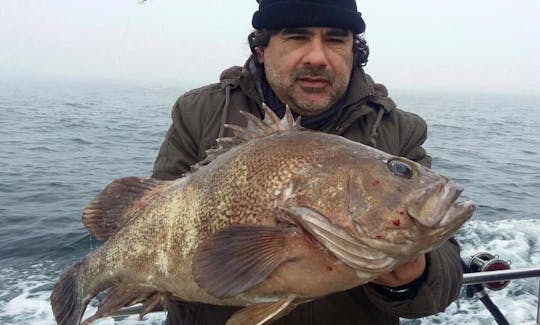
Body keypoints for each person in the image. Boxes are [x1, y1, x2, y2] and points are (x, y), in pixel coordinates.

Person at [152, 0, 463, 324]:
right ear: (262, 49)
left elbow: (445, 278)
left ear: (353, 50)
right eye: (297, 37)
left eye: (335, 38)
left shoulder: (397, 130)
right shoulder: (201, 113)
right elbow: (155, 224)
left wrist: (414, 276)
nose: (317, 57)